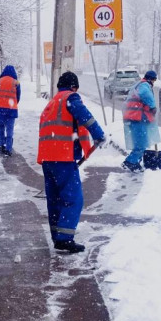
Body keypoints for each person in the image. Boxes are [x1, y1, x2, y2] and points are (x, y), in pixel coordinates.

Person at [37, 72, 106, 253]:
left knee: (55, 200)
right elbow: (84, 115)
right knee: (73, 199)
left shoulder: (52, 103)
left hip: (47, 158)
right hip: (63, 157)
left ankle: (58, 236)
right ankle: (65, 239)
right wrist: (98, 134)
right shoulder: (71, 97)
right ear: (73, 86)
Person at [121, 70, 158, 172]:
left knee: (141, 142)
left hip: (136, 118)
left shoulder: (140, 84)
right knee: (141, 144)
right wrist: (152, 106)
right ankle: (130, 162)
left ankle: (135, 161)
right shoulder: (144, 85)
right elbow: (145, 94)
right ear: (150, 79)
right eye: (154, 80)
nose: (154, 82)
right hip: (137, 118)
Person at [0, 65, 21, 156]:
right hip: (11, 110)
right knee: (10, 130)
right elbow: (18, 96)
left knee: (0, 128)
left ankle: (0, 145)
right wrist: (13, 103)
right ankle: (8, 149)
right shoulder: (16, 82)